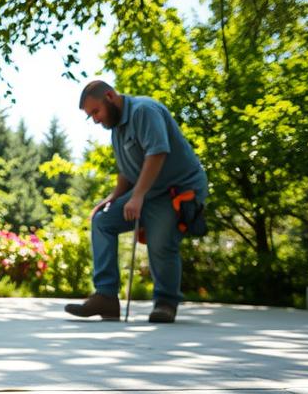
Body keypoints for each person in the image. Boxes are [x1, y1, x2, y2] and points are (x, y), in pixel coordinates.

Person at [65, 80, 208, 323]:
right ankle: (106, 297)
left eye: (95, 111)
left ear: (110, 96)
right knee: (102, 220)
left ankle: (165, 302)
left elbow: (157, 153)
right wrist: (113, 198)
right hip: (148, 189)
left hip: (176, 188)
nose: (95, 120)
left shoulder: (144, 111)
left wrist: (138, 196)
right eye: (90, 116)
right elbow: (127, 171)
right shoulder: (116, 129)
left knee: (159, 239)